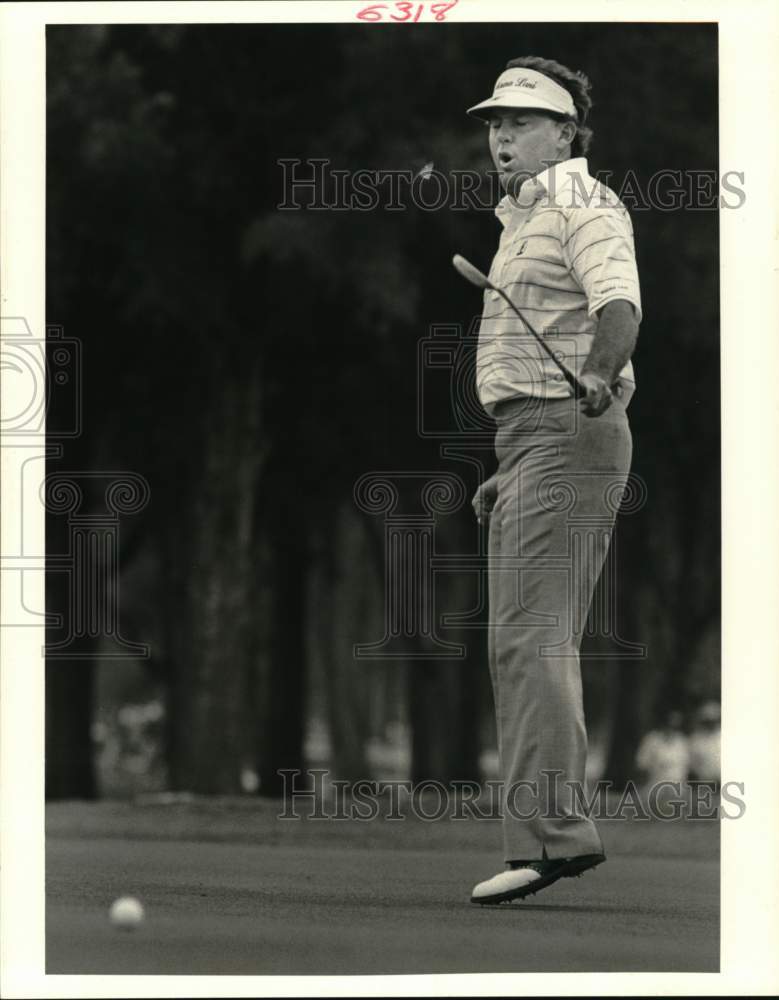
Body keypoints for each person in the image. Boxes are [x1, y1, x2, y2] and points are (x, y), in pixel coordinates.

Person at [466, 56, 642, 904]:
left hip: (571, 429)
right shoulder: (517, 220)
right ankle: (543, 835)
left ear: (566, 132)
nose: (501, 136)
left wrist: (601, 377)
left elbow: (617, 306)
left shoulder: (581, 202)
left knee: (534, 635)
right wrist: (509, 466)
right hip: (529, 443)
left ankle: (554, 838)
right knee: (516, 640)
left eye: (521, 121)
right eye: (494, 123)